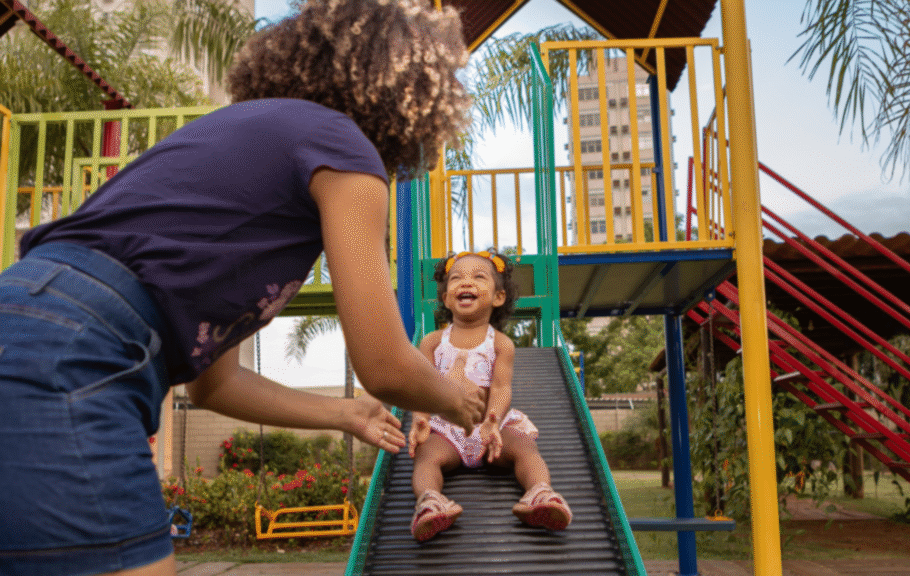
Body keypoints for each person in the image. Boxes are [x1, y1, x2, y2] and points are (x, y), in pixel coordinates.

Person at [0, 1, 486, 574]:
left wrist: (346, 414)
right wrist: (456, 400)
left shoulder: (236, 139)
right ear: (404, 96)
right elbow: (384, 364)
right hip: (79, 346)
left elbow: (217, 387)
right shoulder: (342, 146)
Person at [406, 251, 572, 542]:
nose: (465, 282)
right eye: (456, 278)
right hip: (447, 432)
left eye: (478, 277)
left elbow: (501, 387)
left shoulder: (501, 344)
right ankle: (430, 501)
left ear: (498, 297)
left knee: (525, 447)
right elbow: (422, 387)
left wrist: (493, 421)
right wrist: (420, 419)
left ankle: (540, 493)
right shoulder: (432, 342)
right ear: (446, 298)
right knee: (426, 456)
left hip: (490, 430)